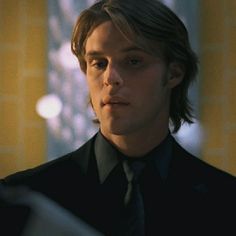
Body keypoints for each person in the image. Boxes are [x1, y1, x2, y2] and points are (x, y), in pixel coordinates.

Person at [1, 0, 236, 235]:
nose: (110, 78)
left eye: (133, 61)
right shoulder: (30, 198)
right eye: (99, 63)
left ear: (174, 73)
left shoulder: (226, 200)